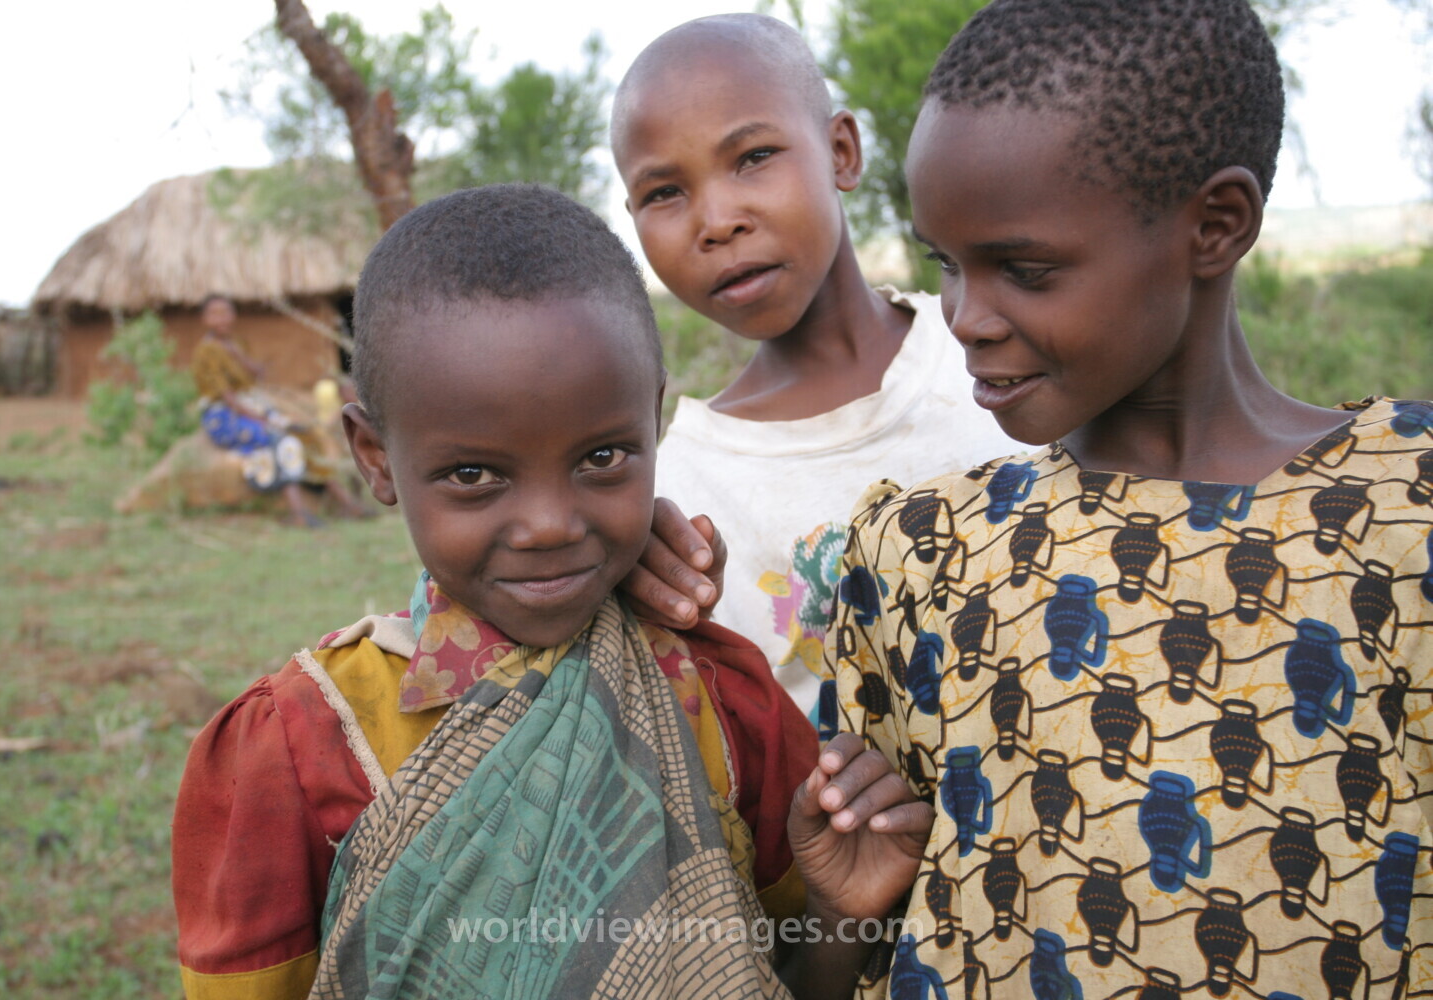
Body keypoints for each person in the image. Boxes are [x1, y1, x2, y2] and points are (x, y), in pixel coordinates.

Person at [172, 185, 931, 1000]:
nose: (548, 525)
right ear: (372, 455)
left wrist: (837, 914)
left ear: (652, 414)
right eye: (473, 475)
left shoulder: (724, 699)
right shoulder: (301, 745)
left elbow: (776, 977)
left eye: (602, 458)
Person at [832, 1, 1433, 996]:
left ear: (1215, 225)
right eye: (945, 263)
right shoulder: (921, 550)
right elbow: (862, 911)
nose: (965, 317)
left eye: (1024, 269)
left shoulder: (1407, 507)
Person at [608, 14, 1019, 725]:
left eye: (753, 156)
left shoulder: (993, 353)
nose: (716, 220)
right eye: (664, 193)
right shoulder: (676, 498)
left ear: (841, 152)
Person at [190, 294, 365, 526]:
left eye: (226, 312)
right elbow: (228, 397)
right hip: (224, 415)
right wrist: (263, 420)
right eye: (215, 314)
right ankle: (297, 512)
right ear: (204, 319)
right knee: (280, 440)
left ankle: (346, 503)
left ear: (233, 315)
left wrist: (236, 354)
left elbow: (255, 376)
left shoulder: (237, 343)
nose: (222, 319)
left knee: (304, 434)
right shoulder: (205, 352)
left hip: (251, 404)